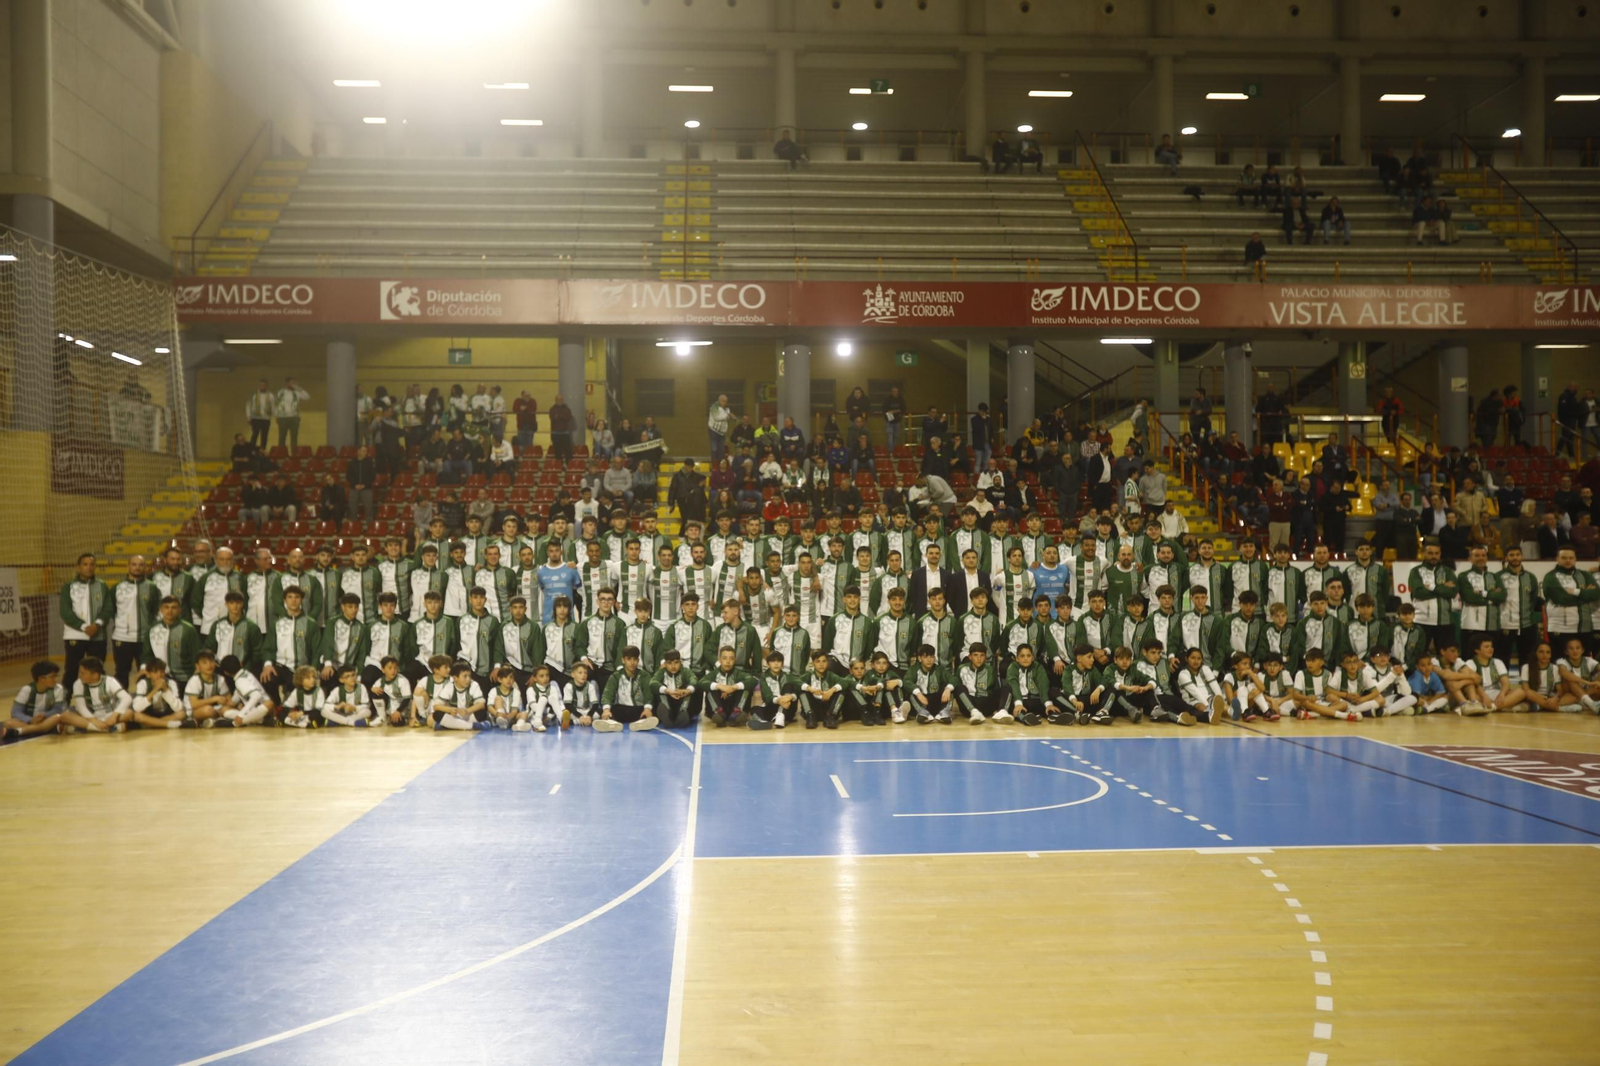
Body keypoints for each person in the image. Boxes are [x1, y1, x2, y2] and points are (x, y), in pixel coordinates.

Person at [60, 553, 112, 685]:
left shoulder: (102, 586)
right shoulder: (69, 587)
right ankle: (66, 698)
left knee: (97, 670)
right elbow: (65, 612)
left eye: (92, 564)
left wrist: (97, 624)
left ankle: (97, 699)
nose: (89, 567)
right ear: (78, 567)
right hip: (75, 635)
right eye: (85, 564)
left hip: (97, 634)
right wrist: (84, 627)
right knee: (72, 670)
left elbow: (108, 608)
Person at [3, 660, 67, 742]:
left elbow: (57, 710)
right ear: (41, 679)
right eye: (52, 677)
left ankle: (22, 731)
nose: (56, 679)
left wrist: (44, 716)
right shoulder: (27, 690)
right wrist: (30, 720)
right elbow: (16, 712)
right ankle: (43, 730)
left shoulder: (58, 689)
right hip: (30, 722)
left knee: (58, 717)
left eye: (56, 676)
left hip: (47, 719)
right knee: (8, 723)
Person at [274, 377, 311, 450]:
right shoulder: (280, 392)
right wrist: (276, 416)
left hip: (294, 417)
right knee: (282, 436)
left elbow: (307, 397)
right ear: (287, 383)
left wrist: (297, 388)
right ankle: (281, 453)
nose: (293, 384)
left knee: (294, 437)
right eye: (291, 383)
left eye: (294, 383)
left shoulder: (297, 393)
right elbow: (276, 404)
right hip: (282, 417)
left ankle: (294, 454)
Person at [245, 380, 275, 450]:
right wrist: (248, 417)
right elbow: (248, 406)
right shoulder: (254, 395)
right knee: (254, 435)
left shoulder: (270, 396)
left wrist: (273, 416)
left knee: (264, 436)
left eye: (264, 385)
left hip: (266, 419)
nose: (263, 387)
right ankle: (251, 450)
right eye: (261, 385)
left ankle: (262, 451)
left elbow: (273, 406)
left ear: (266, 386)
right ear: (258, 386)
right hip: (255, 418)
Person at [547, 393, 575, 462]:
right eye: (558, 399)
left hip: (565, 433)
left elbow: (568, 417)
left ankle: (569, 465)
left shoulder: (567, 409)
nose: (560, 401)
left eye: (561, 399)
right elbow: (553, 418)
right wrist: (562, 416)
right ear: (555, 400)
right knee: (557, 451)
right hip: (555, 433)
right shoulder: (552, 409)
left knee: (568, 451)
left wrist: (558, 416)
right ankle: (559, 465)